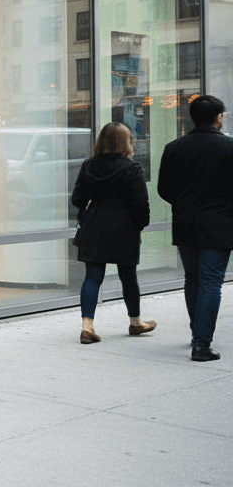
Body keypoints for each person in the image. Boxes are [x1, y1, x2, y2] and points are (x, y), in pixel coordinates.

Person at [157, 95, 233, 362]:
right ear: (219, 117)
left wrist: (186, 203)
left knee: (193, 279)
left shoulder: (174, 147)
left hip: (186, 223)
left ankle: (197, 333)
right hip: (219, 225)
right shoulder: (229, 147)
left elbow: (164, 189)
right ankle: (201, 344)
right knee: (211, 281)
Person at [72, 122, 154, 345]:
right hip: (124, 228)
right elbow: (141, 204)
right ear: (124, 142)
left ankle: (87, 326)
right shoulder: (132, 168)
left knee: (92, 277)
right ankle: (136, 322)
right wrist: (140, 225)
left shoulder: (88, 166)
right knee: (128, 277)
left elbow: (77, 200)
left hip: (94, 226)